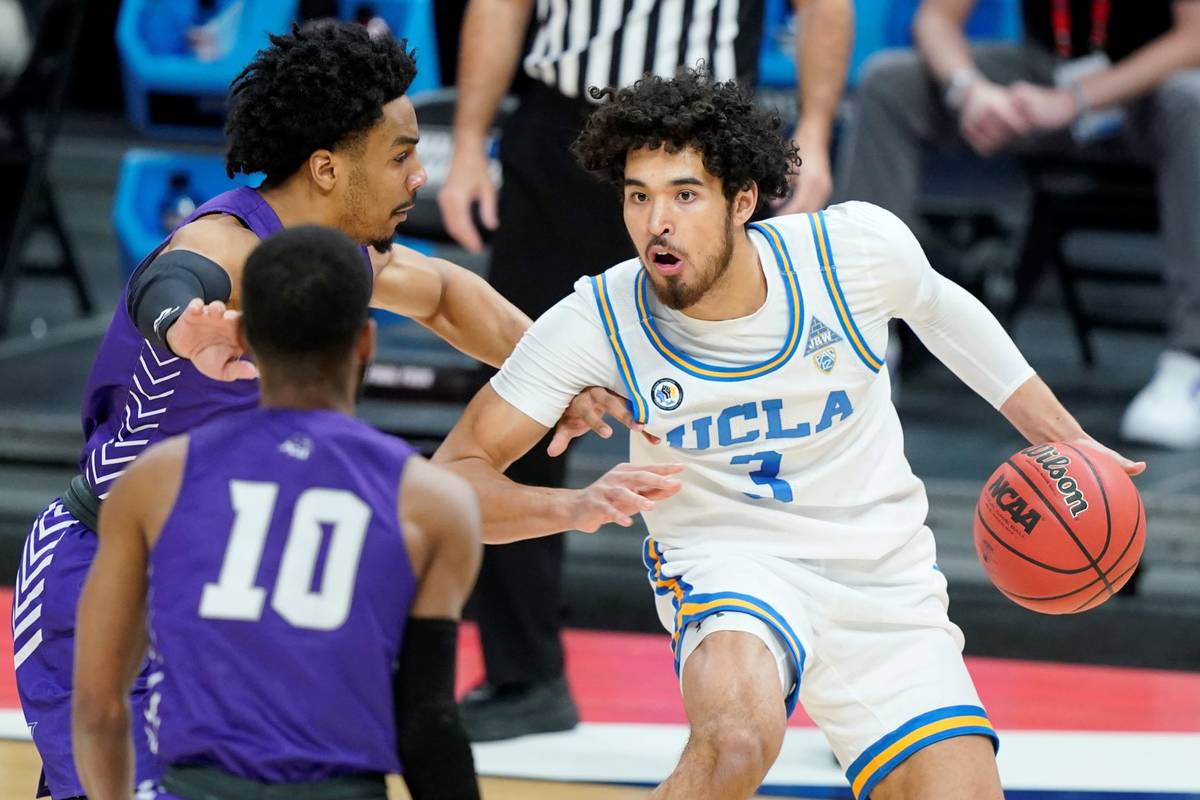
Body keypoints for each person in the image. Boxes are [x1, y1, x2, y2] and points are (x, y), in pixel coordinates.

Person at [433, 67, 1146, 799]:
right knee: (737, 739)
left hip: (880, 573)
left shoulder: (850, 255)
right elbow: (454, 476)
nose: (657, 223)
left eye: (685, 195)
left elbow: (942, 310)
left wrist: (1070, 443)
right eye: (638, 196)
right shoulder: (597, 322)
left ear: (743, 199)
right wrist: (574, 507)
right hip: (727, 563)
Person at [9, 21, 615, 800]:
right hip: (99, 576)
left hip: (216, 585)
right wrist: (182, 326)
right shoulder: (229, 242)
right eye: (400, 156)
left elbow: (447, 295)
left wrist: (559, 375)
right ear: (327, 167)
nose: (416, 177)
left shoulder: (336, 260)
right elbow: (175, 274)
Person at [436, 0, 853, 741]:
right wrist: (468, 140)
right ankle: (523, 674)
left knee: (768, 418)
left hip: (704, 146)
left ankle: (832, 684)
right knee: (522, 400)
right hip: (564, 132)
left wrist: (814, 137)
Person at [71, 225, 482, 800]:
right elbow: (427, 721)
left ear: (247, 334)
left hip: (199, 788)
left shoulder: (155, 481)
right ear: (365, 342)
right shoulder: (432, 501)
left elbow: (95, 708)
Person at [836, 0, 1200, 449]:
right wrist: (969, 91)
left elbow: (1194, 38)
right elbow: (935, 20)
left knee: (1193, 99)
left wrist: (1076, 99)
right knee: (889, 82)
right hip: (1044, 75)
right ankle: (865, 345)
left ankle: (1190, 360)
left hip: (1146, 88)